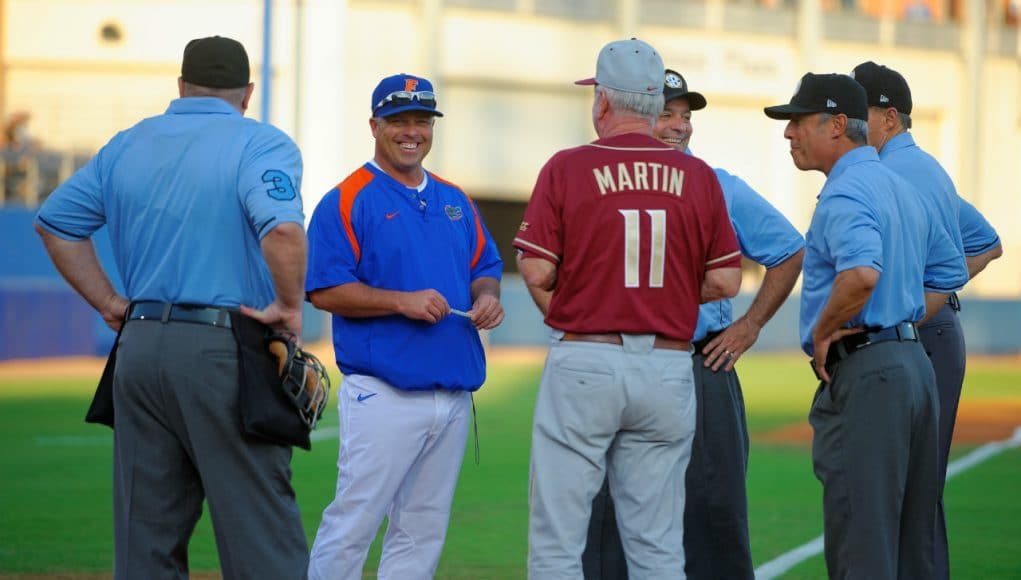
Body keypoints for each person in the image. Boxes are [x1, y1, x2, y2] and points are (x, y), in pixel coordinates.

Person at [34, 36, 310, 578]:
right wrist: (289, 305)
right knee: (262, 539)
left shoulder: (128, 144)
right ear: (247, 93)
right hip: (221, 350)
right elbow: (281, 229)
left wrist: (111, 302)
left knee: (146, 543)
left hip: (137, 352)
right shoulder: (261, 144)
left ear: (181, 87)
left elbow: (56, 223)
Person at [516, 39, 742, 579]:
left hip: (587, 358)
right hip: (667, 365)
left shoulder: (568, 167)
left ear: (602, 103)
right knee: (658, 549)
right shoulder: (699, 176)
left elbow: (536, 269)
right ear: (651, 103)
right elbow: (727, 278)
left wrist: (577, 302)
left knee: (557, 545)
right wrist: (669, 296)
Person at [582, 69, 805, 580]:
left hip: (699, 361)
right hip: (619, 360)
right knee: (607, 513)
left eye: (686, 116)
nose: (680, 126)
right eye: (667, 113)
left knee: (713, 512)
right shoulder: (597, 180)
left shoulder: (717, 185)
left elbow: (790, 249)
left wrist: (748, 326)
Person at [763, 72, 968, 579]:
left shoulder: (846, 193)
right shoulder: (898, 185)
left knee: (863, 540)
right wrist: (901, 321)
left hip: (870, 373)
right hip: (912, 367)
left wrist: (826, 332)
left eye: (797, 122)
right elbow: (950, 270)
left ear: (836, 125)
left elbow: (860, 273)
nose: (788, 134)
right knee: (911, 539)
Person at [305, 73, 504, 580]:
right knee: (355, 522)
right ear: (374, 125)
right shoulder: (348, 198)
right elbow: (325, 290)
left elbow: (485, 267)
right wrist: (401, 302)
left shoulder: (455, 198)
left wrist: (487, 299)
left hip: (453, 392)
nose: (411, 131)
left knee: (423, 529)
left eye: (422, 120)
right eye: (398, 121)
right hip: (383, 392)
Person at [851, 60, 1004, 580]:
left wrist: (919, 303)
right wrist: (936, 292)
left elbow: (981, 248)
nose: (850, 120)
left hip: (917, 337)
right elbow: (987, 243)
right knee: (918, 493)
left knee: (898, 495)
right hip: (934, 335)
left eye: (860, 110)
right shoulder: (925, 168)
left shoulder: (891, 173)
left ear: (889, 118)